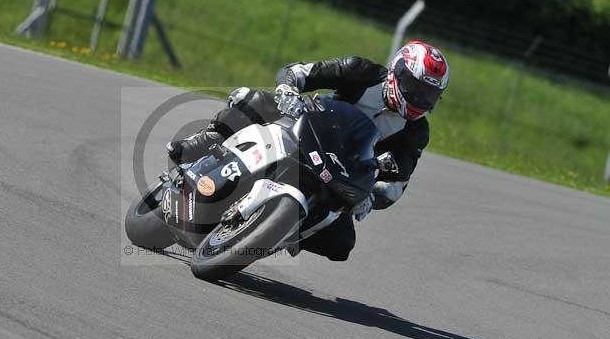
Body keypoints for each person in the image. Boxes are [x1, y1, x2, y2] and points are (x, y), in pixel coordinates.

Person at [167, 40, 450, 261]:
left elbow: (397, 183)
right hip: (304, 124)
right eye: (415, 88)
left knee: (341, 244)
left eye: (428, 94)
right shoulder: (360, 71)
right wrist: (289, 89)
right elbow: (299, 72)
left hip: (341, 172)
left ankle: (273, 234)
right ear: (396, 72)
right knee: (251, 99)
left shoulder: (416, 131)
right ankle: (206, 141)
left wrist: (372, 198)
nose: (419, 98)